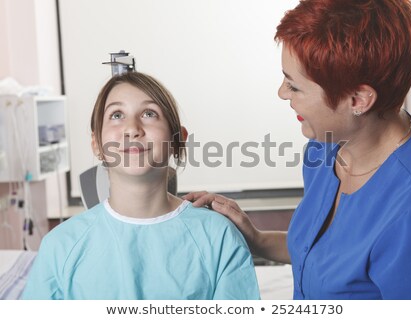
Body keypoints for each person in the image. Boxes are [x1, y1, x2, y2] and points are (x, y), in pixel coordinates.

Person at [184, 0, 411, 299]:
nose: (282, 93)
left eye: (294, 86)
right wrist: (254, 237)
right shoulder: (324, 147)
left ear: (358, 100)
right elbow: (324, 256)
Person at [22, 72, 260, 299]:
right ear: (96, 143)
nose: (132, 129)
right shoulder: (61, 245)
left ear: (178, 140)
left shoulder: (218, 237)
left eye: (149, 113)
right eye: (116, 115)